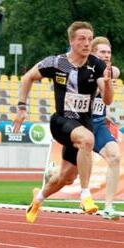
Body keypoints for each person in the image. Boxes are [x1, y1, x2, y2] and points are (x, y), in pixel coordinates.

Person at [13, 21, 113, 223]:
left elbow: (108, 99)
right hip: (61, 122)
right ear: (71, 41)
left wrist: (109, 83)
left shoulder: (96, 65)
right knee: (88, 140)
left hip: (83, 124)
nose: (86, 43)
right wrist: (22, 107)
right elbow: (27, 78)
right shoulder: (57, 63)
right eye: (81, 39)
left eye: (89, 39)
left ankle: (38, 198)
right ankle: (85, 195)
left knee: (66, 177)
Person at [91, 36, 121, 220]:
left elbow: (116, 70)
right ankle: (42, 193)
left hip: (99, 125)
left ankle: (108, 207)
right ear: (93, 53)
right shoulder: (84, 71)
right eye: (102, 52)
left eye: (109, 52)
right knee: (66, 177)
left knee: (115, 156)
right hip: (80, 127)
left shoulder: (109, 71)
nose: (107, 55)